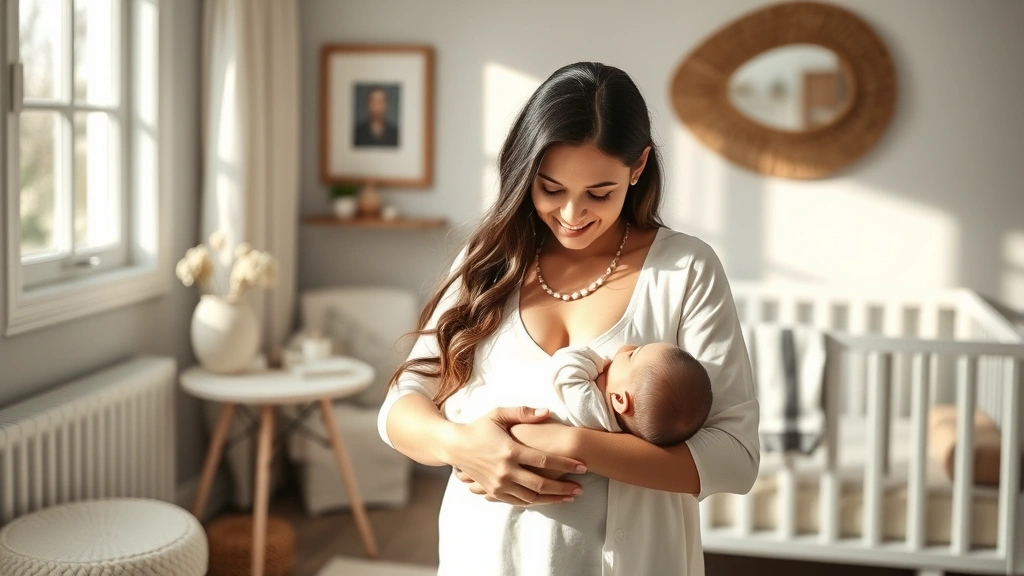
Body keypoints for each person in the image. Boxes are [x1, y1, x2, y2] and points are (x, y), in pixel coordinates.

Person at [377, 61, 759, 576]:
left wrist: (574, 444)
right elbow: (402, 404)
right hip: (484, 558)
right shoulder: (489, 260)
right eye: (551, 189)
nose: (572, 215)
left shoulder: (684, 269)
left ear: (638, 166)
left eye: (599, 193)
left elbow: (735, 457)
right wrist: (461, 445)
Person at [447, 342, 712, 450]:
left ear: (620, 400)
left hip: (473, 412)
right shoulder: (609, 431)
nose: (628, 347)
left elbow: (565, 367)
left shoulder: (589, 406)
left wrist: (597, 360)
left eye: (633, 354)